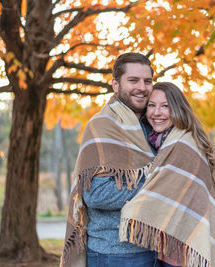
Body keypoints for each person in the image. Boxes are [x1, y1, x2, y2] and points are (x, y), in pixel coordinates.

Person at [60, 52, 159, 267]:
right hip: (115, 254)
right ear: (115, 84)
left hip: (155, 249)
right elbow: (95, 195)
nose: (142, 87)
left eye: (147, 81)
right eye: (133, 80)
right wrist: (158, 181)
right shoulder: (103, 127)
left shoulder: (155, 127)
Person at [120, 82, 215, 267]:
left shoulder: (183, 144)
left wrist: (132, 207)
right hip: (171, 244)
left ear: (178, 109)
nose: (157, 113)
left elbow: (166, 190)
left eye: (165, 106)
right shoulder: (160, 141)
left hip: (185, 247)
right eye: (152, 105)